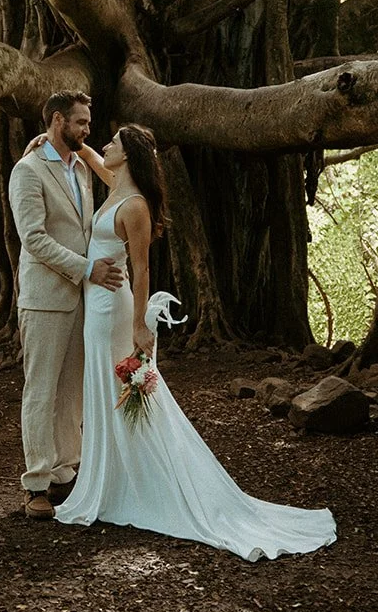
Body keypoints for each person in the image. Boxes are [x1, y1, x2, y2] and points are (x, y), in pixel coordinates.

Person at [51, 123, 337, 562]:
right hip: (97, 308)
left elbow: (143, 270)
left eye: (113, 143)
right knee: (105, 390)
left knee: (121, 393)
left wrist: (140, 326)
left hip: (114, 310)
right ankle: (113, 478)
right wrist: (66, 144)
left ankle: (140, 483)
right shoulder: (117, 190)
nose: (105, 146)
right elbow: (95, 160)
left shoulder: (136, 206)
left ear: (127, 155)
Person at [7, 91, 124, 520]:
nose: (87, 129)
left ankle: (64, 470)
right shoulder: (28, 170)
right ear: (58, 121)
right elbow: (33, 239)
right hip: (46, 299)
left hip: (83, 299)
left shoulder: (82, 168)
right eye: (80, 122)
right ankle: (35, 483)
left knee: (72, 389)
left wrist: (90, 279)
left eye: (88, 123)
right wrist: (86, 268)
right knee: (41, 390)